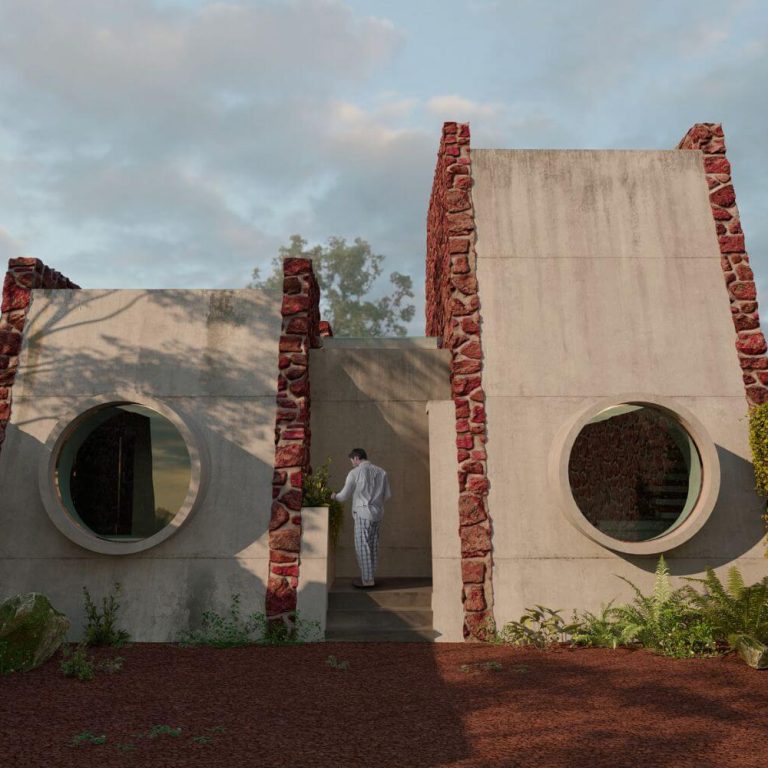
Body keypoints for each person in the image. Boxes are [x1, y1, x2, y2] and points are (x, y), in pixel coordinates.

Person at [331, 448, 391, 589]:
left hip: (363, 513)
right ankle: (370, 576)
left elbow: (344, 495)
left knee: (362, 546)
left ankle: (367, 580)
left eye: (352, 460)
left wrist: (334, 496)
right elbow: (387, 495)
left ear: (357, 458)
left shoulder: (355, 473)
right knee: (373, 546)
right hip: (377, 514)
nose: (351, 463)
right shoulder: (382, 472)